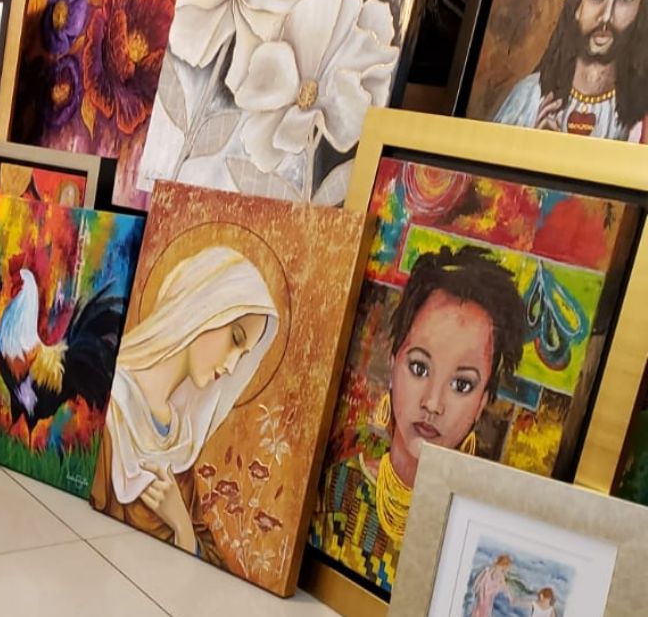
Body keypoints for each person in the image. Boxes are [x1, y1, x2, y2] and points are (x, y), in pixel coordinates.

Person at [312, 245, 528, 592]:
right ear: (393, 362)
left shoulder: (482, 537)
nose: (432, 403)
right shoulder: (340, 486)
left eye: (461, 384)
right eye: (419, 367)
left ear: (483, 401)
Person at [91, 246, 279, 559]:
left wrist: (181, 523)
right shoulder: (113, 402)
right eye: (235, 338)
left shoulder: (180, 438)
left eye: (243, 355)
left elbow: (203, 553)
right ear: (202, 309)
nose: (232, 367)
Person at [493, 0, 648, 140]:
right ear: (577, 5)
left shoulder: (642, 117)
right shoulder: (527, 98)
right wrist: (531, 147)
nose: (606, 16)